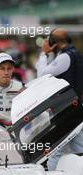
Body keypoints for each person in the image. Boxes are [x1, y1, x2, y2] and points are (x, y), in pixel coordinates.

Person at [35, 28, 83, 170]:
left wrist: (44, 53)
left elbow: (42, 75)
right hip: (76, 109)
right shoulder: (75, 55)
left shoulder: (65, 57)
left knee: (55, 150)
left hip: (66, 111)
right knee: (79, 148)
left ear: (52, 42)